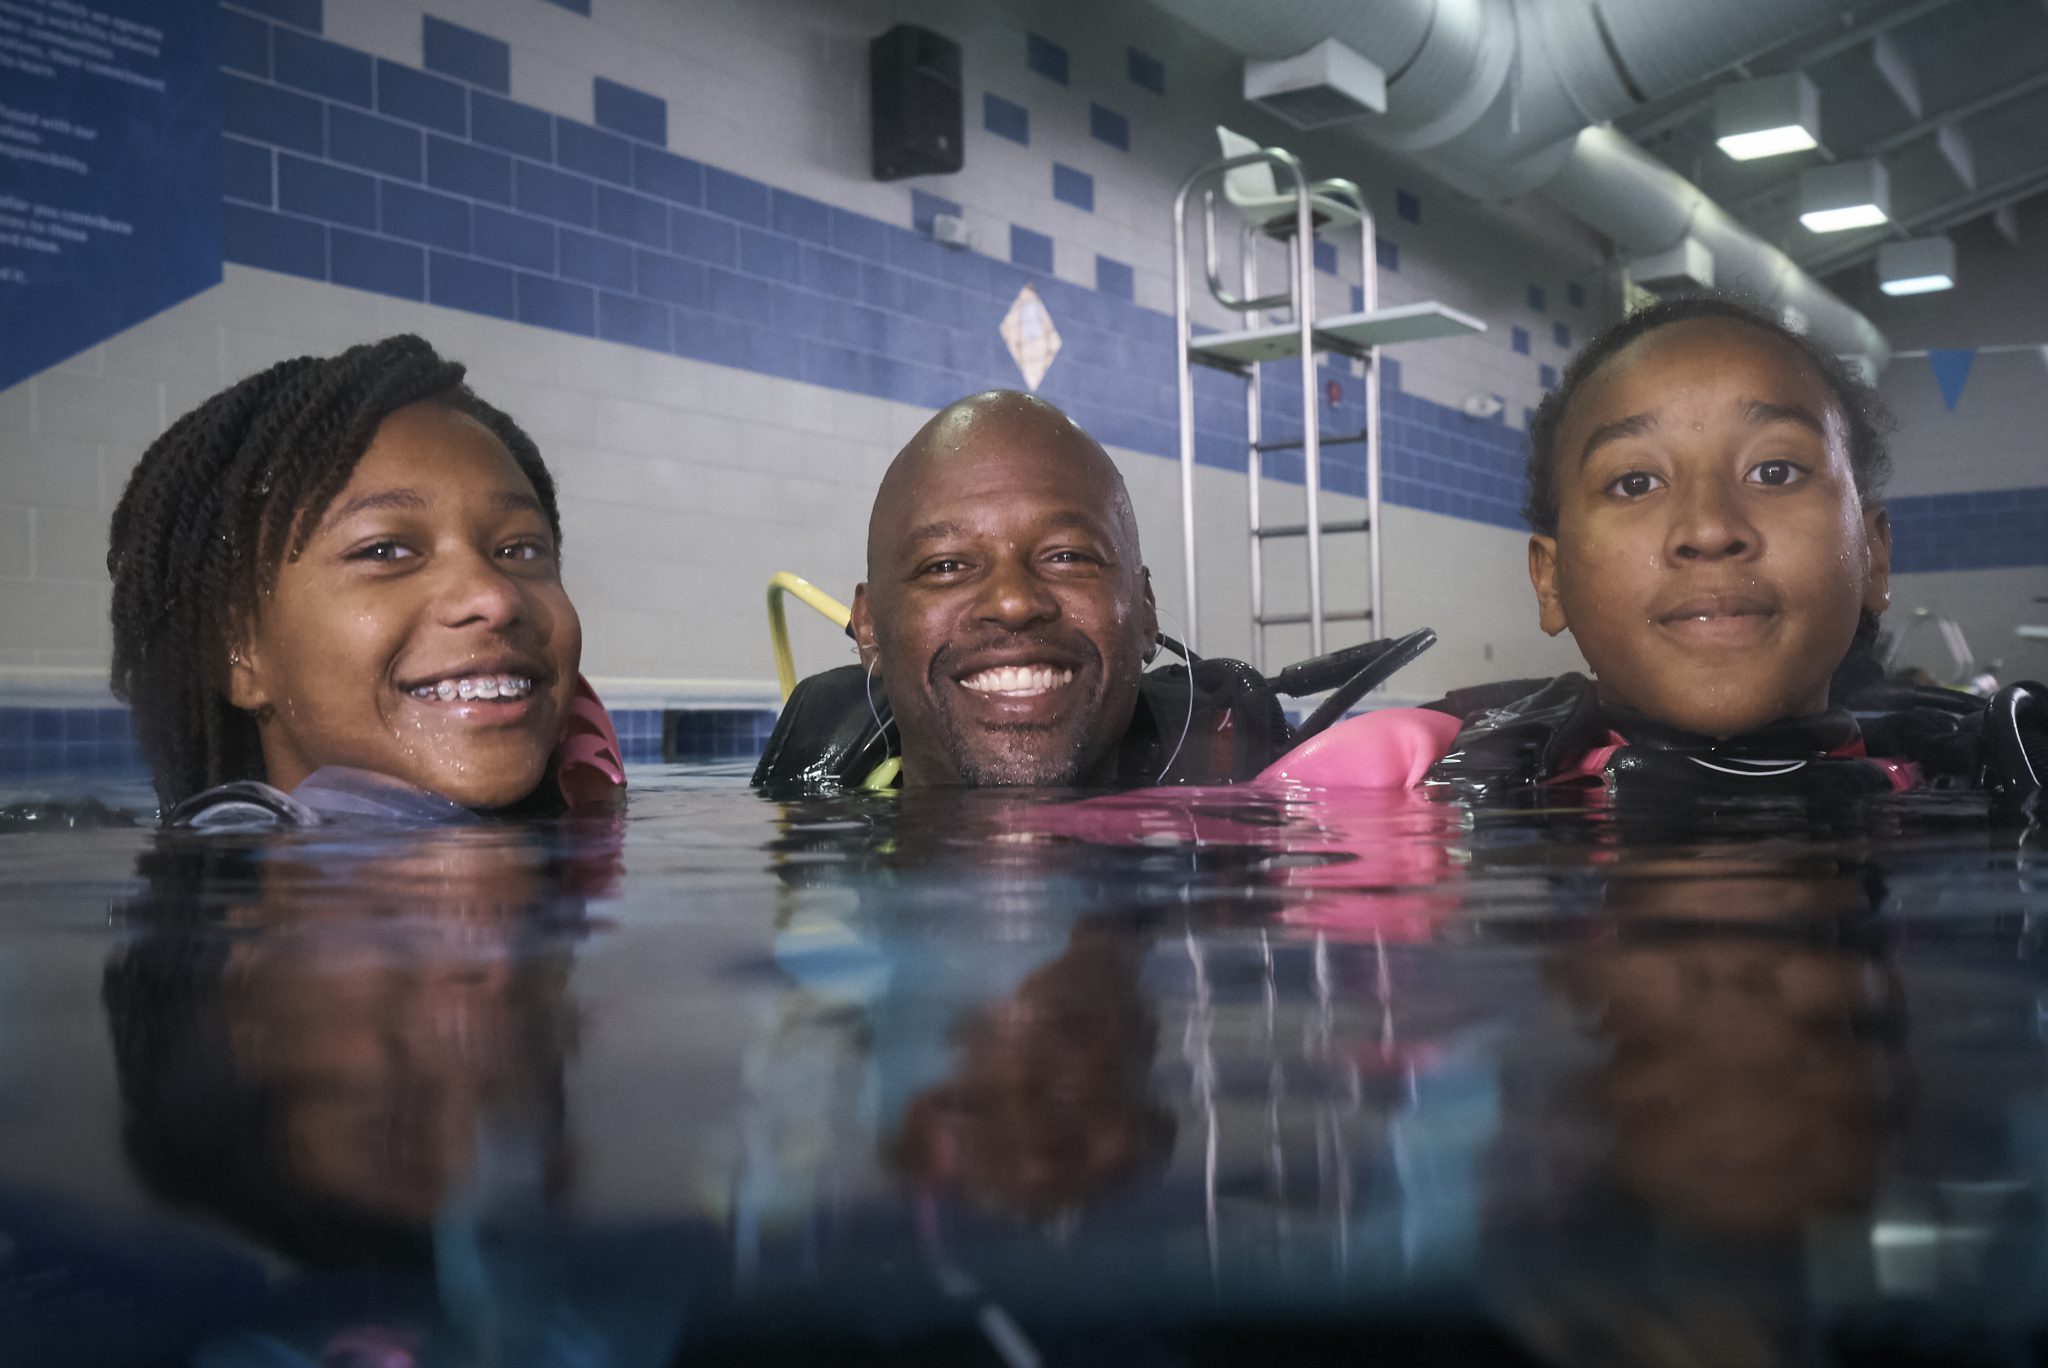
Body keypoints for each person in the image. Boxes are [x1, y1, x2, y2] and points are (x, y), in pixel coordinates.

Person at [1266, 295, 2040, 801]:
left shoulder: (2002, 766)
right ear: (1551, 580)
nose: (1709, 529)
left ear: (1873, 555)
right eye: (1635, 483)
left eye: (1774, 470)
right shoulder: (1388, 778)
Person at [107, 335, 623, 825]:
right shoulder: (212, 871)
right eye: (386, 551)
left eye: (519, 550)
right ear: (237, 653)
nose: (495, 597)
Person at [758, 390, 1296, 792]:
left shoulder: (1248, 783)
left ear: (1144, 610)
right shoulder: (812, 793)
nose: (1014, 603)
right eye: (945, 565)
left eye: (1068, 556)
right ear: (869, 625)